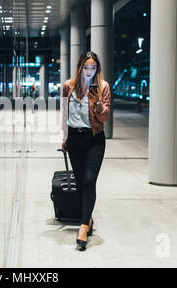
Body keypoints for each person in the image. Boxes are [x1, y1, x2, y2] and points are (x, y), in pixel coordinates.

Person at [61, 51, 111, 251]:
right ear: (80, 67)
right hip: (74, 138)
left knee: (89, 180)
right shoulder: (69, 86)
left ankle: (82, 227)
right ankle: (87, 218)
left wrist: (97, 103)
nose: (90, 71)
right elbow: (64, 113)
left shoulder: (103, 87)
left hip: (94, 139)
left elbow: (105, 116)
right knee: (80, 182)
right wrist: (65, 137)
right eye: (86, 67)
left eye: (93, 67)